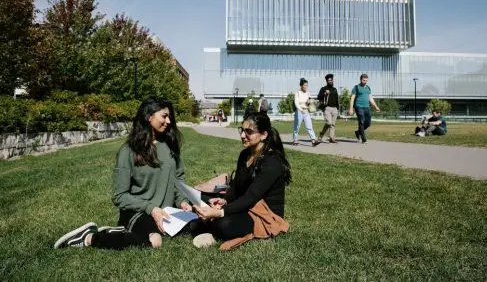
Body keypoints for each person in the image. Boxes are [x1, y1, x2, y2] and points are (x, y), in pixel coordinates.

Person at [54, 97, 192, 250]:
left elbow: (178, 180)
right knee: (155, 241)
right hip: (138, 211)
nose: (169, 121)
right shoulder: (129, 151)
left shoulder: (170, 146)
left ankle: (117, 232)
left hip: (167, 213)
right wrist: (151, 208)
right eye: (164, 116)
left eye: (170, 117)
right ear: (149, 116)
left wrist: (183, 201)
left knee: (197, 226)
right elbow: (119, 196)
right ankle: (90, 237)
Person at [189, 112, 291, 248]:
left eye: (248, 131)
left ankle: (210, 225)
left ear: (264, 135)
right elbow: (236, 187)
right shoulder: (245, 154)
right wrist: (224, 201)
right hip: (246, 206)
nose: (243, 135)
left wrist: (220, 212)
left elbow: (251, 197)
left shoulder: (272, 162)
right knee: (203, 199)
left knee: (223, 224)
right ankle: (207, 223)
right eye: (242, 130)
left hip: (264, 214)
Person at [348, 74, 381, 144]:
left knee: (368, 123)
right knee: (361, 122)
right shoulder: (356, 87)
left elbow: (370, 98)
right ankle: (364, 139)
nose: (365, 82)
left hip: (367, 107)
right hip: (359, 106)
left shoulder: (368, 88)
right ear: (361, 79)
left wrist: (375, 106)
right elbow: (352, 98)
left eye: (366, 80)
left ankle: (358, 132)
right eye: (364, 80)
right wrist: (351, 108)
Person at [293, 78, 319, 146]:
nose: (306, 87)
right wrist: (300, 110)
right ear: (301, 86)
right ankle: (295, 139)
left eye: (307, 85)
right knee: (297, 126)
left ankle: (313, 140)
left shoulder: (308, 93)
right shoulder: (297, 93)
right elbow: (296, 103)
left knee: (309, 126)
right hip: (299, 110)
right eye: (304, 85)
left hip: (306, 111)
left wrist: (309, 102)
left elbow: (310, 101)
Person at [317, 73, 339, 143]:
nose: (330, 81)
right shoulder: (323, 89)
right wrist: (324, 93)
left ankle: (331, 138)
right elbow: (319, 97)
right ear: (326, 81)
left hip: (335, 108)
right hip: (327, 108)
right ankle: (321, 134)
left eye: (331, 80)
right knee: (329, 123)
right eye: (329, 80)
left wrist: (337, 108)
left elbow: (336, 99)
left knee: (333, 124)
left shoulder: (335, 89)